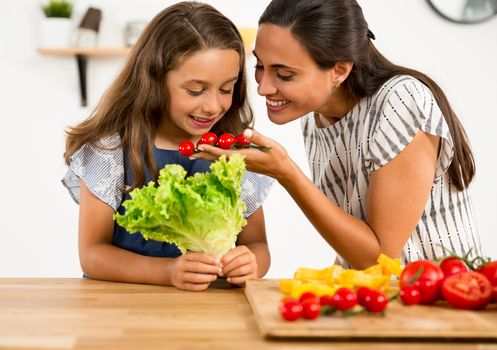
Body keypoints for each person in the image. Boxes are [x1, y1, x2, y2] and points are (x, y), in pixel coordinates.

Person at [195, 0, 483, 269]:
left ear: (340, 70)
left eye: (284, 75)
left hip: (441, 303)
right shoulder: (315, 116)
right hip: (379, 301)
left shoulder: (400, 101)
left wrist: (287, 174)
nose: (263, 88)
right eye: (260, 66)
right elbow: (353, 238)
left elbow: (379, 259)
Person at [62, 2, 273, 291]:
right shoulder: (110, 148)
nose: (213, 106)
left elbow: (258, 245)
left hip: (213, 311)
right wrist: (168, 272)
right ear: (154, 81)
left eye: (226, 89)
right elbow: (93, 255)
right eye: (195, 90)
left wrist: (252, 262)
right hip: (123, 311)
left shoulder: (234, 150)